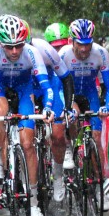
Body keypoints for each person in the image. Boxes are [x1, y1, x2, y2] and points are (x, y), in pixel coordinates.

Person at [0, 15, 54, 216]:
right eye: (9, 47)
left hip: (23, 90)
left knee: (28, 145)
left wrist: (48, 107)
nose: (14, 51)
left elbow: (46, 87)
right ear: (1, 44)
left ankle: (34, 204)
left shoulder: (31, 53)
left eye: (18, 45)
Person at [58, 19, 109, 178]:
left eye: (88, 44)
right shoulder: (63, 54)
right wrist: (67, 107)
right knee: (73, 116)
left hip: (90, 94)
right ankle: (70, 147)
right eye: (80, 44)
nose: (84, 49)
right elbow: (58, 87)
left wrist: (108, 106)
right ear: (71, 41)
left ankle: (100, 181)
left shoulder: (101, 53)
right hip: (70, 94)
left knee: (96, 138)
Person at [28, 30, 74, 202]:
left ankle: (58, 175)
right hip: (27, 89)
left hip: (49, 87)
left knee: (58, 134)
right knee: (26, 136)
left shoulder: (45, 49)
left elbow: (66, 78)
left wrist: (67, 107)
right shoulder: (8, 53)